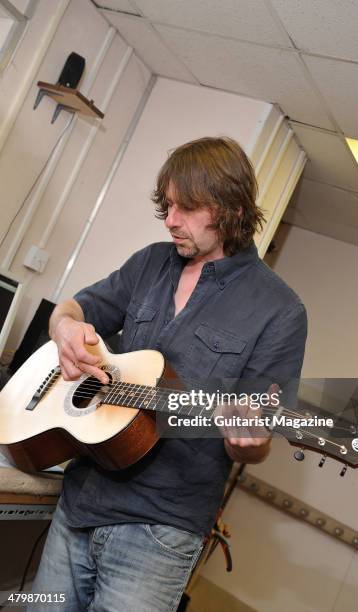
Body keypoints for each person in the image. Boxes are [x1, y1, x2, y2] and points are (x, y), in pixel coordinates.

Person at [29, 137, 307, 611]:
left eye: (188, 207)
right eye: (168, 205)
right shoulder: (152, 262)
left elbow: (256, 441)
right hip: (80, 502)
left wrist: (251, 438)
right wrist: (67, 327)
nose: (171, 220)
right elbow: (74, 307)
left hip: (159, 534)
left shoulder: (280, 311)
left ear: (233, 208)